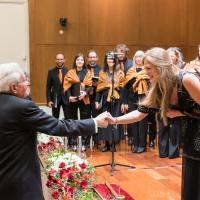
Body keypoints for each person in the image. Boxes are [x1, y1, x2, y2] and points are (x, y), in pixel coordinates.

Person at [0, 62, 109, 200]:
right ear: (14, 87)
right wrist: (95, 122)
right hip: (20, 181)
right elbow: (58, 126)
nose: (28, 84)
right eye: (25, 81)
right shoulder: (21, 107)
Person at [107, 47, 200, 200]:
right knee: (192, 178)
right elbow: (139, 113)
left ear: (161, 66)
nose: (145, 72)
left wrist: (181, 113)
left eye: (148, 68)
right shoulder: (158, 86)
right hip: (191, 134)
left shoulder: (187, 79)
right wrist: (115, 120)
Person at [95, 51, 125, 152]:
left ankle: (113, 144)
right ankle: (106, 144)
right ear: (106, 60)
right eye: (108, 59)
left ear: (115, 60)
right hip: (105, 100)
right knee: (106, 121)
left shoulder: (120, 72)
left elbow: (123, 88)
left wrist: (123, 102)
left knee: (114, 121)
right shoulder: (102, 72)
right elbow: (99, 88)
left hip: (116, 101)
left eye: (112, 59)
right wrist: (97, 101)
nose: (110, 60)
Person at [63, 53, 92, 151]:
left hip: (84, 99)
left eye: (82, 60)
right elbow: (66, 86)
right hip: (73, 99)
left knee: (85, 120)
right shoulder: (70, 72)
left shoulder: (87, 72)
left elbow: (90, 86)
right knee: (72, 120)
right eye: (78, 60)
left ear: (84, 62)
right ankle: (73, 142)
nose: (80, 61)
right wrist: (69, 97)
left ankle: (84, 143)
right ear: (75, 61)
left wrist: (85, 93)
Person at [122, 50, 149, 153]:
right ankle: (136, 144)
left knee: (142, 122)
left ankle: (142, 145)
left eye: (141, 57)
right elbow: (125, 87)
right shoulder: (130, 71)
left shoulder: (147, 70)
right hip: (131, 99)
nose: (139, 59)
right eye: (137, 57)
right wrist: (124, 101)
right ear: (134, 59)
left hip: (144, 99)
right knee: (133, 122)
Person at [46, 53, 69, 119]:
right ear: (55, 60)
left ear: (64, 60)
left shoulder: (68, 71)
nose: (59, 61)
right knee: (55, 118)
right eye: (58, 59)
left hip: (66, 99)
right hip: (55, 99)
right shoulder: (51, 72)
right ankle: (56, 129)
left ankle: (66, 129)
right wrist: (49, 100)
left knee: (68, 117)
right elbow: (48, 87)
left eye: (61, 59)